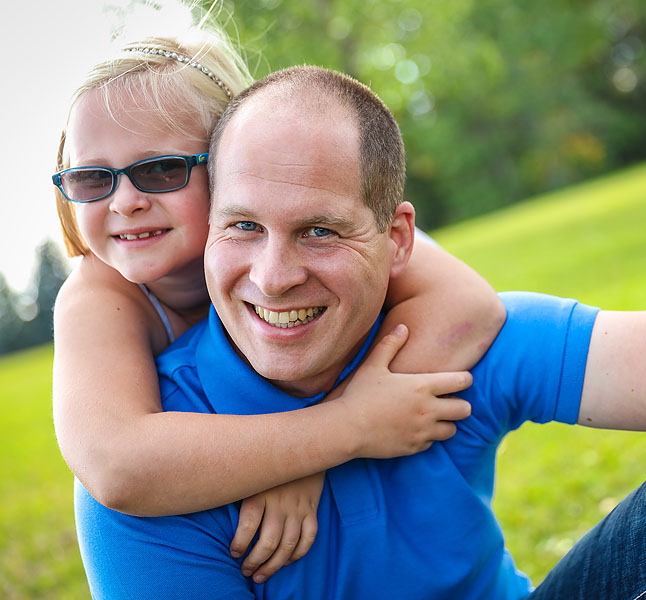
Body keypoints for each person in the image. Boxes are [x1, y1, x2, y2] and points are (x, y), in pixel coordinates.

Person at [74, 64, 646, 599]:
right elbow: (120, 466)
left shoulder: (434, 355)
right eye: (244, 226)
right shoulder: (159, 471)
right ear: (210, 222)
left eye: (320, 230)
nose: (275, 274)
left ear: (397, 241)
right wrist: (325, 436)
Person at [51, 26, 505, 584]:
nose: (125, 202)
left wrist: (320, 448)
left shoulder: (329, 231)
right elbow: (115, 463)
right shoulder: (99, 295)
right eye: (92, 177)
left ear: (234, 161)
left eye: (161, 169)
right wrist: (334, 433)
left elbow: (468, 304)